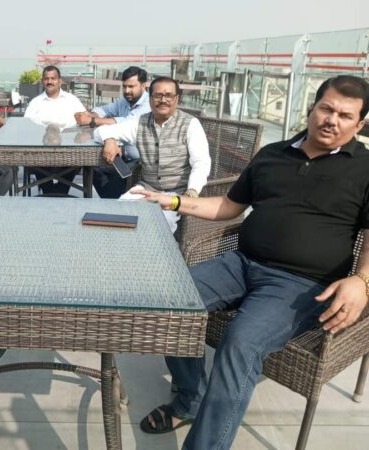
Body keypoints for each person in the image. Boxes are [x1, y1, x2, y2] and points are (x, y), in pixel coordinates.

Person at [135, 75, 369, 450]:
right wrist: (174, 201)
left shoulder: (364, 168)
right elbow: (229, 206)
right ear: (312, 108)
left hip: (301, 285)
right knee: (170, 303)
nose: (332, 120)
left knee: (240, 342)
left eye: (345, 115)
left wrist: (363, 280)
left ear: (359, 124)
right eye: (326, 108)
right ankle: (189, 399)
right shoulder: (273, 154)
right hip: (241, 263)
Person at [95, 76, 210, 232]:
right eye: (158, 95)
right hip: (146, 189)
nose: (163, 100)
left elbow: (201, 163)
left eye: (168, 95)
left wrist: (192, 192)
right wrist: (109, 140)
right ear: (150, 99)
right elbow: (99, 132)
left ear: (177, 99)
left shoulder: (190, 124)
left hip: (176, 194)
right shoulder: (140, 122)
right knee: (118, 215)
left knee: (157, 226)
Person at [75, 66, 150, 198]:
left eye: (131, 86)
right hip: (121, 154)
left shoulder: (148, 105)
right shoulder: (125, 101)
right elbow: (105, 110)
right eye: (124, 86)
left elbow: (126, 123)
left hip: (139, 161)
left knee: (99, 170)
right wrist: (90, 114)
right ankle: (112, 201)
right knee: (91, 166)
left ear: (143, 85)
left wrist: (92, 121)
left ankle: (115, 202)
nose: (127, 91)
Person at [24, 65, 87, 195]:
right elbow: (26, 126)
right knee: (34, 157)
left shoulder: (72, 100)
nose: (49, 81)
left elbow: (85, 121)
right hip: (41, 151)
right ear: (42, 81)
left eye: (53, 78)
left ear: (59, 81)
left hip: (69, 150)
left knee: (76, 157)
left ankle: (58, 192)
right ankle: (51, 192)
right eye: (46, 78)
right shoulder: (35, 103)